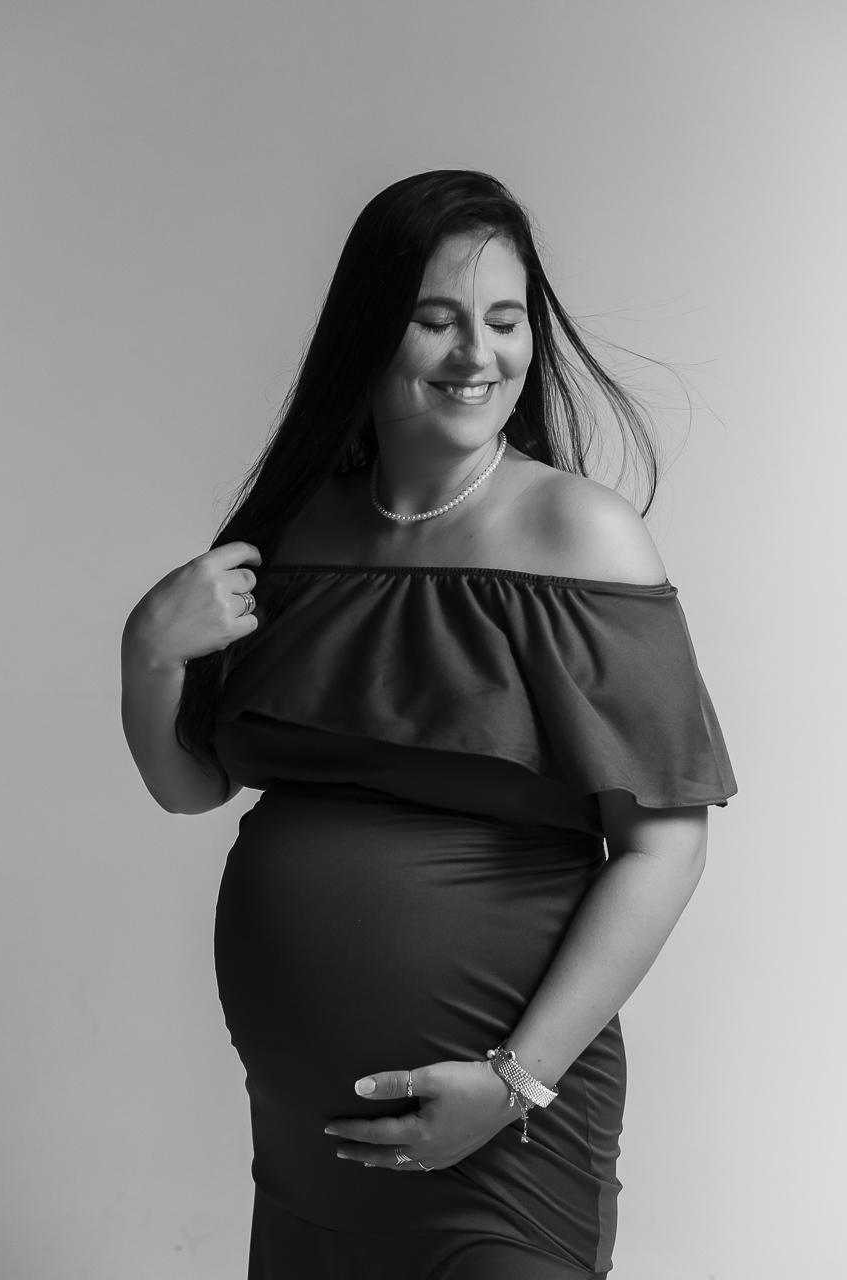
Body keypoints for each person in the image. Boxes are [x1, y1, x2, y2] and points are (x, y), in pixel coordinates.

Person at [121, 169, 736, 1280]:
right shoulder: (294, 530)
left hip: (506, 1122)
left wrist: (514, 1081)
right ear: (368, 331)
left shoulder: (580, 535)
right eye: (435, 318)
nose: (477, 354)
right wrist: (149, 655)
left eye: (505, 320)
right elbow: (190, 785)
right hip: (306, 1142)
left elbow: (666, 846)